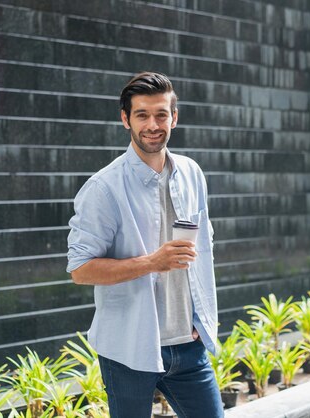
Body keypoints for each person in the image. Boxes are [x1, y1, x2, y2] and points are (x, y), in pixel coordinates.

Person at [66, 72, 223, 417]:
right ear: (125, 119)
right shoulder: (103, 188)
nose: (153, 124)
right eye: (142, 115)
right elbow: (80, 269)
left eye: (161, 114)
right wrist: (153, 262)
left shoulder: (192, 172)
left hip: (188, 345)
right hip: (129, 350)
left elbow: (203, 249)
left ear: (174, 117)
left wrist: (201, 320)